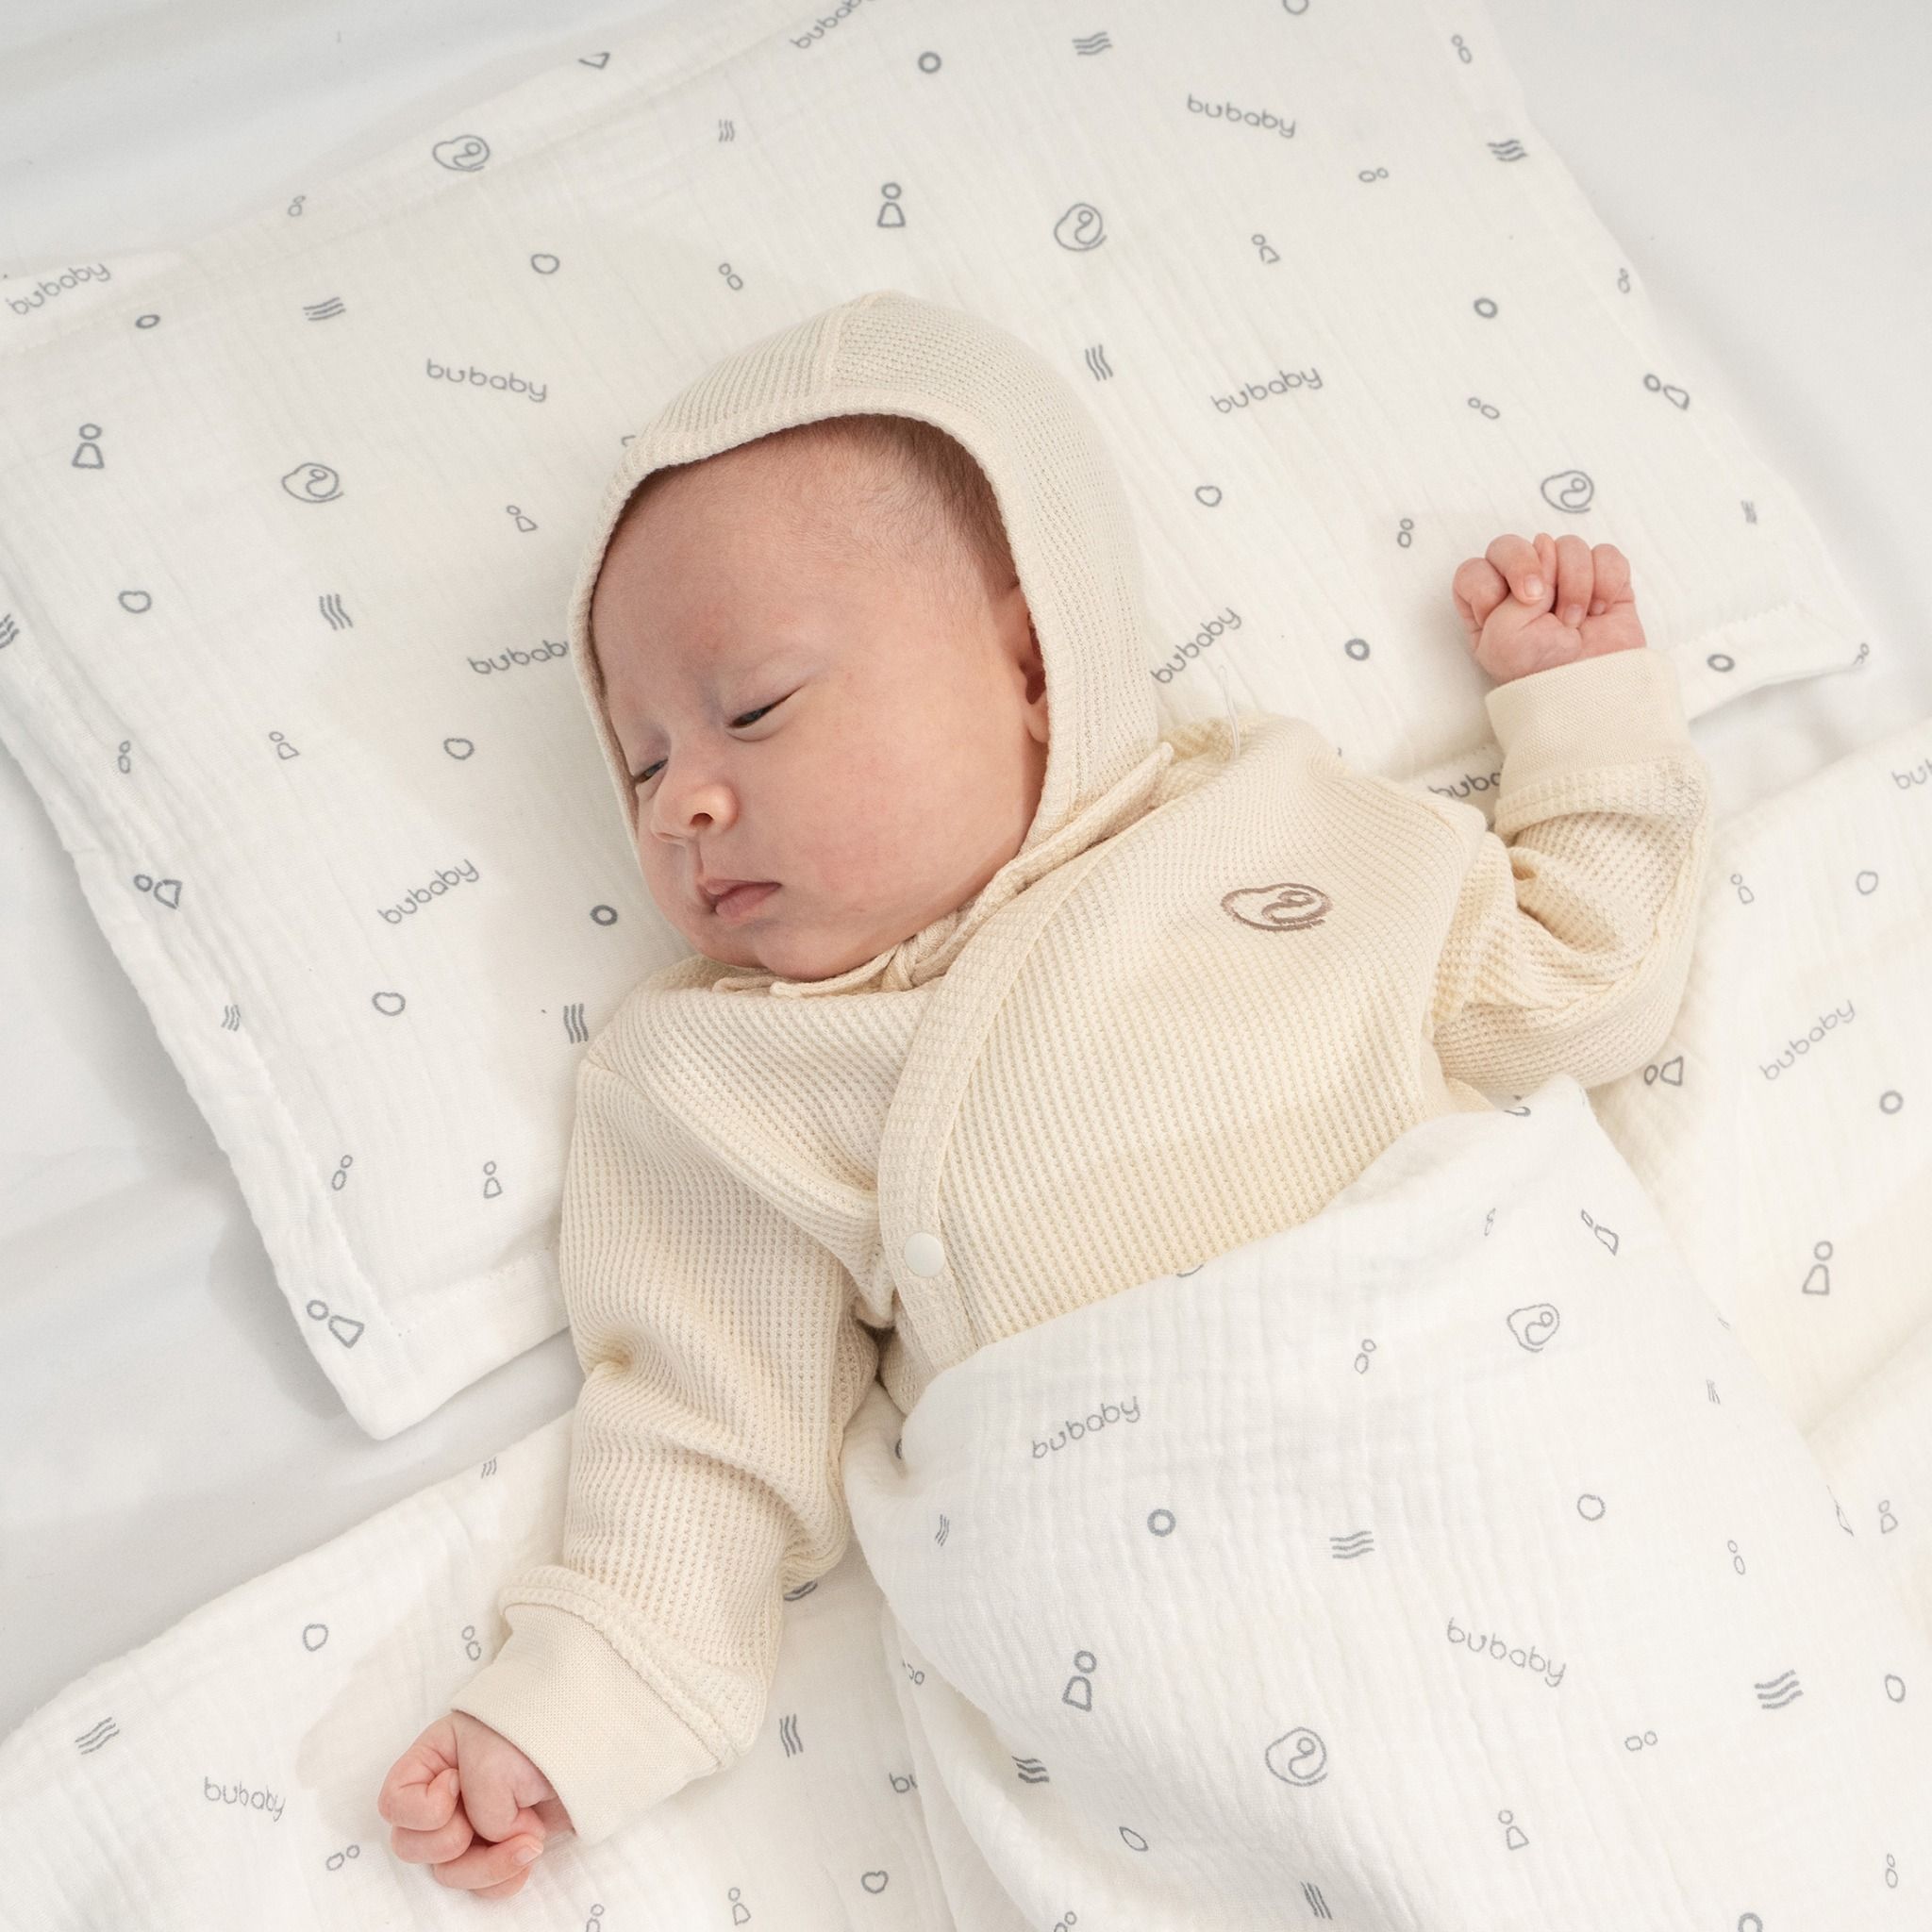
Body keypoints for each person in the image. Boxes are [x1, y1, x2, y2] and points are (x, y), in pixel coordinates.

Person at [375, 288, 1710, 1899]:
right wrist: (574, 1708)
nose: (684, 805)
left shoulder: (1271, 827)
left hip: (1500, 1461)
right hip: (1162, 1618)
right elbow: (705, 1425)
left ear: (1027, 664)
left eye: (754, 709)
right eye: (642, 761)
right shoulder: (724, 1071)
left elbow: (1580, 982)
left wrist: (1582, 720)